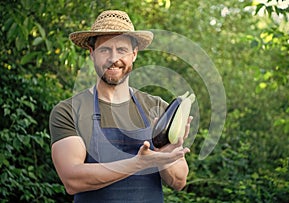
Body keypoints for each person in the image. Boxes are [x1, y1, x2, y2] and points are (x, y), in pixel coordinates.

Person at [50, 10, 192, 203]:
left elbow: (179, 181)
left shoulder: (157, 108)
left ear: (134, 54)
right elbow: (73, 179)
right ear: (92, 54)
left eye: (122, 50)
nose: (113, 58)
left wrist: (162, 154)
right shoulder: (69, 111)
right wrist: (138, 163)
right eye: (105, 49)